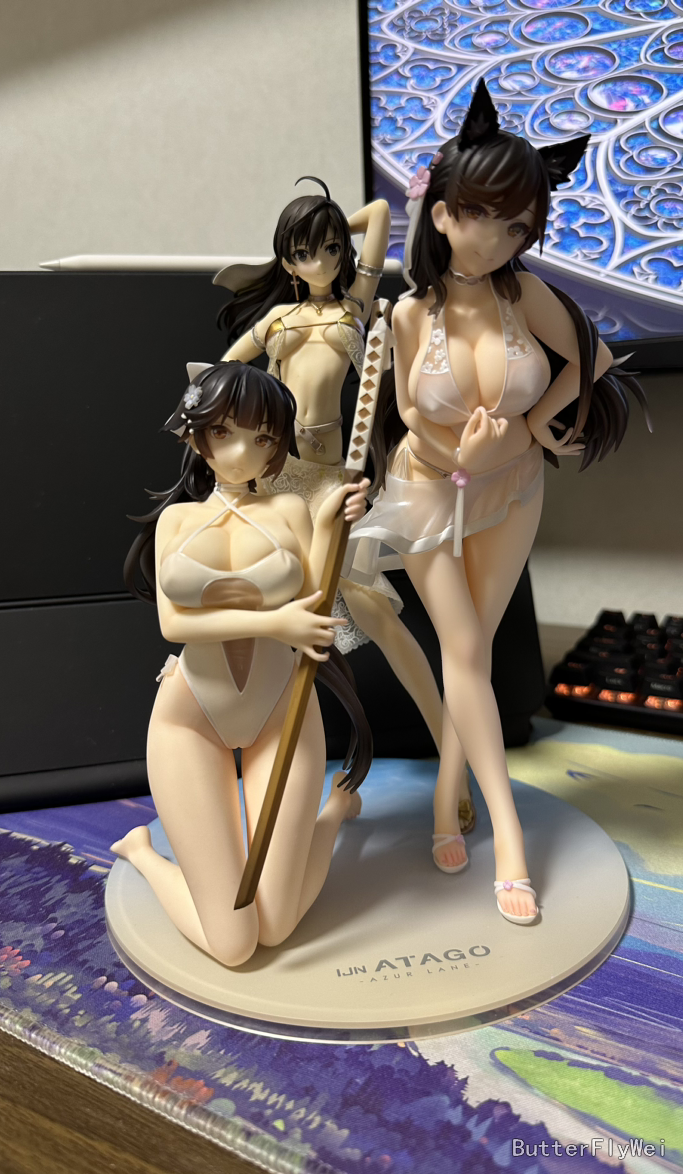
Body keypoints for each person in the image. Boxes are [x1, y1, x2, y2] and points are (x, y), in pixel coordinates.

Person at [348, 80, 649, 919]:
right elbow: (410, 417)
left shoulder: (526, 298)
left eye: (518, 226)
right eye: (484, 215)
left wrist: (536, 428)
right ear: (444, 214)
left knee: (470, 655)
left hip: (512, 489)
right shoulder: (409, 315)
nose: (500, 237)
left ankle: (452, 802)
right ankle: (509, 838)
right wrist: (464, 454)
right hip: (426, 494)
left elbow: (594, 361)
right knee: (465, 649)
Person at [217, 178, 476, 834]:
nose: (323, 261)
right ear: (287, 260)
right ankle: (262, 775)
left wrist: (327, 218)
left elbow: (382, 212)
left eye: (331, 247)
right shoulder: (277, 321)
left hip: (336, 482)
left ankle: (454, 763)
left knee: (377, 614)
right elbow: (224, 375)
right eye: (306, 252)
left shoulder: (356, 306)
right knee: (276, 622)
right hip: (278, 482)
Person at [114, 361, 371, 967]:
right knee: (234, 946)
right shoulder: (177, 520)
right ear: (195, 432)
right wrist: (273, 624)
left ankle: (334, 813)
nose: (241, 453)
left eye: (263, 438)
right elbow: (173, 625)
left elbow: (313, 601)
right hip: (190, 718)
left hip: (281, 712)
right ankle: (142, 853)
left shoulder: (289, 512)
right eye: (224, 432)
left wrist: (330, 522)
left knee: (275, 927)